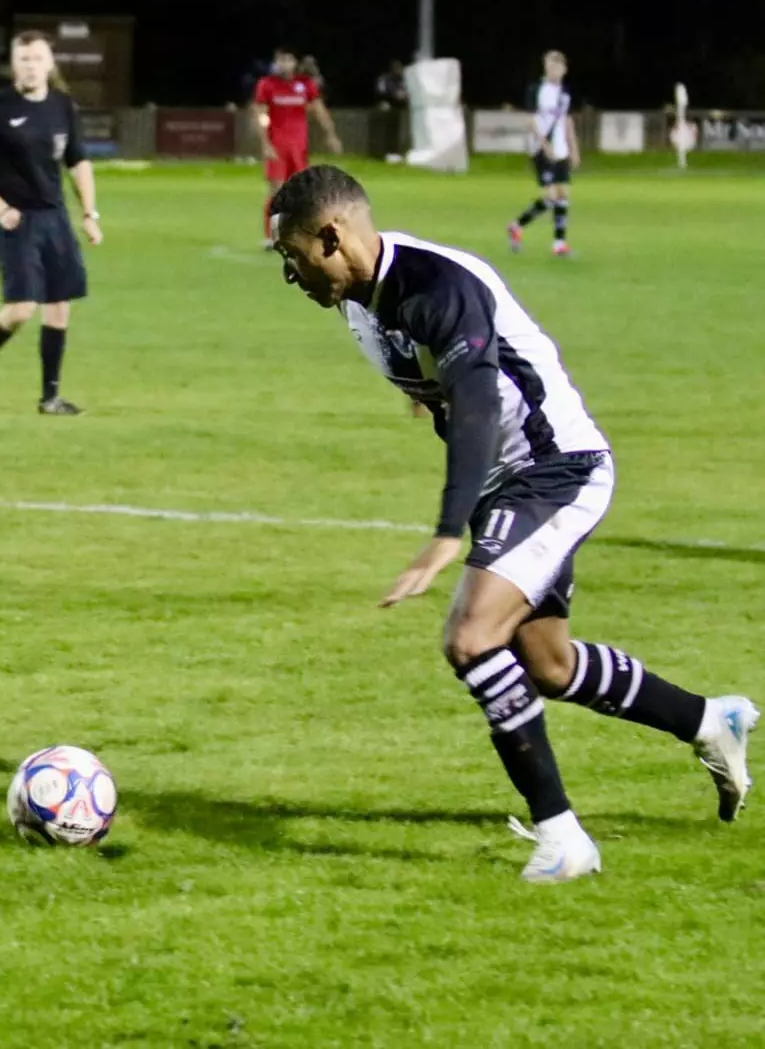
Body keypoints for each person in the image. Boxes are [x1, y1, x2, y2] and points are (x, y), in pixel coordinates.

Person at [270, 163, 757, 883]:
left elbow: (472, 405)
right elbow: (440, 389)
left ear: (331, 236)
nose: (291, 275)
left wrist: (446, 531)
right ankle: (710, 720)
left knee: (470, 638)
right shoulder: (358, 299)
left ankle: (563, 838)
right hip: (512, 482)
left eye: (292, 257)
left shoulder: (437, 288)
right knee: (546, 663)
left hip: (555, 468)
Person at [0, 31, 102, 415]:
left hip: (55, 219)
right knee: (21, 308)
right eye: (22, 58)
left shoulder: (61, 106)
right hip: (16, 221)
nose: (29, 65)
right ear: (15, 64)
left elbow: (78, 162)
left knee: (59, 307)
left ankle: (50, 397)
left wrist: (89, 213)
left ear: (49, 64)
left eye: (36, 58)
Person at [253, 47, 341, 249]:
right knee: (276, 191)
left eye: (288, 60)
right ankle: (272, 236)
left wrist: (330, 135)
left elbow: (319, 111)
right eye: (280, 60)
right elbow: (261, 115)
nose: (284, 64)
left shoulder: (305, 85)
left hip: (299, 147)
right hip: (277, 146)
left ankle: (297, 235)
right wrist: (265, 143)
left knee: (300, 193)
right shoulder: (267, 85)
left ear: (295, 63)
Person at [509, 50, 580, 257]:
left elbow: (567, 121)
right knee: (552, 195)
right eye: (550, 66)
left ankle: (558, 243)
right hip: (540, 148)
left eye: (558, 67)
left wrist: (573, 148)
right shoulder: (537, 89)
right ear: (546, 68)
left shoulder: (565, 93)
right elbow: (531, 119)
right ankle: (519, 227)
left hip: (560, 149)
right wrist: (543, 144)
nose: (554, 70)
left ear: (564, 69)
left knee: (561, 195)